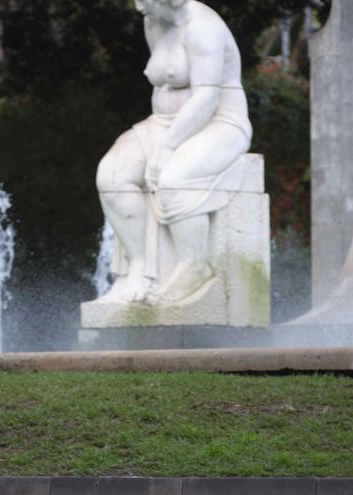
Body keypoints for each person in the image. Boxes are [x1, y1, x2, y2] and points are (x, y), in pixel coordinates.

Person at [95, 0, 252, 304]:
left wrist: (167, 148)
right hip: (162, 124)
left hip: (219, 122)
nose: (139, 7)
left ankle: (194, 265)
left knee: (173, 177)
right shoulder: (154, 21)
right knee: (111, 176)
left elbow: (206, 98)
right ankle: (137, 270)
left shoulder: (203, 27)